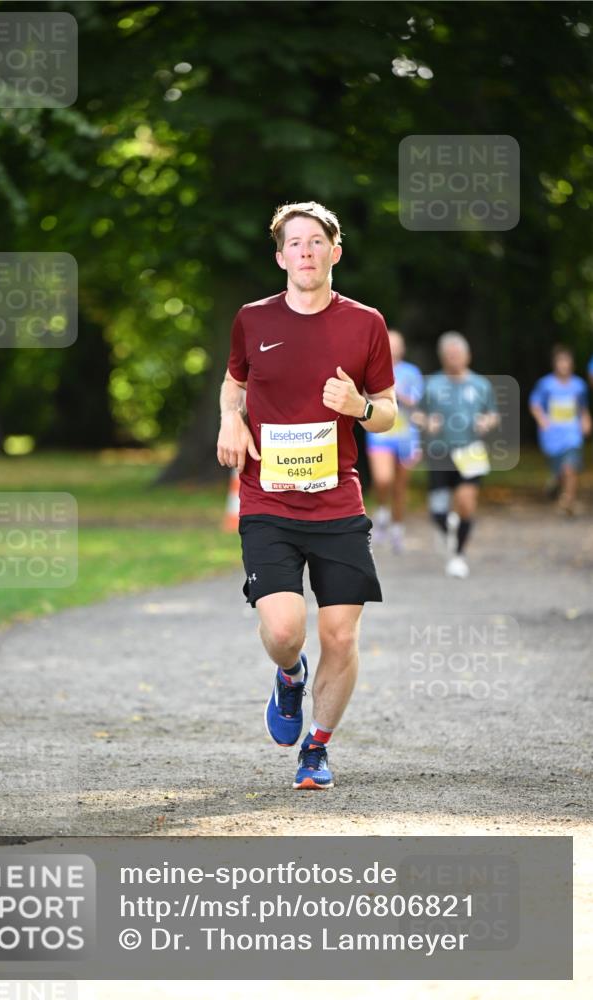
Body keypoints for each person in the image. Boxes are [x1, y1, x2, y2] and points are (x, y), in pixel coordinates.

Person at [216, 201, 396, 790]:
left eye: (316, 242)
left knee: (340, 635)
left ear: (334, 252)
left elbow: (389, 413)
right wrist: (230, 420)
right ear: (280, 257)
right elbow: (233, 383)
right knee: (288, 630)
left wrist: (361, 408)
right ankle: (289, 674)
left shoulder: (365, 323)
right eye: (294, 243)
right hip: (268, 501)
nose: (306, 252)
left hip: (338, 503)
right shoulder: (253, 319)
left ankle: (316, 748)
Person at [413, 332, 499, 579]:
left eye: (458, 354)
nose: (454, 359)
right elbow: (418, 414)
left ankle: (458, 555)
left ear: (468, 356)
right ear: (442, 358)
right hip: (440, 453)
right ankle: (447, 529)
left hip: (471, 451)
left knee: (466, 503)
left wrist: (486, 422)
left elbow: (493, 414)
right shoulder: (433, 385)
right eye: (449, 355)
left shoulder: (481, 385)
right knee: (438, 512)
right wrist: (427, 422)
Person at [365, 330, 423, 553]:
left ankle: (397, 529)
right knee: (383, 479)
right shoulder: (372, 367)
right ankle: (381, 512)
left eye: (396, 344)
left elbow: (417, 404)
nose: (392, 348)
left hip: (406, 436)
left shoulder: (412, 372)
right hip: (381, 434)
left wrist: (398, 394)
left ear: (403, 348)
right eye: (388, 344)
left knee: (400, 487)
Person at [529, 345, 591, 516]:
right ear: (554, 364)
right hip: (552, 435)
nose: (563, 365)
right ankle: (556, 482)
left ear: (572, 364)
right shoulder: (545, 384)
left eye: (566, 361)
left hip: (572, 433)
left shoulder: (579, 385)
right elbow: (534, 404)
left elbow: (582, 407)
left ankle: (567, 500)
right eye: (560, 361)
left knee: (570, 467)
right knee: (560, 470)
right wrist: (542, 420)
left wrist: (586, 420)